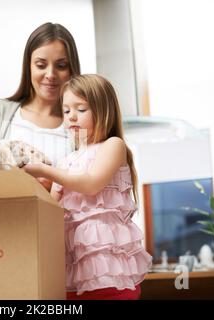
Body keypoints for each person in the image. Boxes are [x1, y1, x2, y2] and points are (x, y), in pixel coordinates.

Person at [22, 74, 152, 300]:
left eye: (81, 109)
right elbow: (52, 211)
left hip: (109, 271)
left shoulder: (113, 146)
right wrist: (34, 185)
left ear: (103, 110)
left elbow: (91, 184)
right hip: (74, 272)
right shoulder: (66, 162)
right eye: (66, 111)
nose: (71, 117)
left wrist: (46, 171)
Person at [0, 22, 81, 190]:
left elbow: (87, 192)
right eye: (41, 65)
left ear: (72, 69)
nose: (50, 75)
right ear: (29, 67)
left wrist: (52, 187)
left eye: (61, 66)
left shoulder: (80, 124)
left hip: (56, 216)